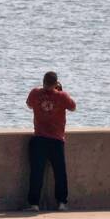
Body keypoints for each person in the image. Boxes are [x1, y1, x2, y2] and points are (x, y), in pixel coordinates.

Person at [25, 71, 77, 211]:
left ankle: (34, 204)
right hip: (56, 140)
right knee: (60, 172)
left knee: (37, 172)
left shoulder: (35, 93)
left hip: (39, 139)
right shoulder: (62, 96)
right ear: (56, 83)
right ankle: (61, 203)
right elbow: (73, 107)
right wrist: (60, 90)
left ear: (43, 81)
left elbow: (29, 105)